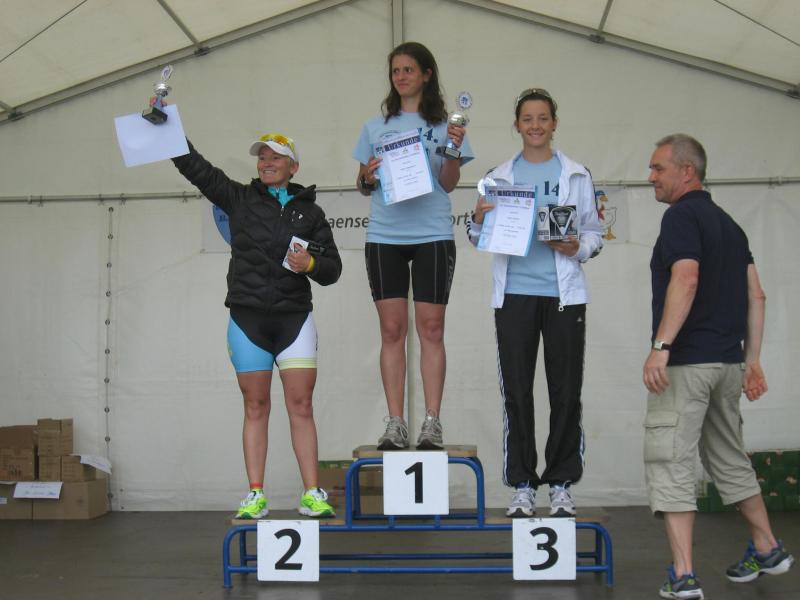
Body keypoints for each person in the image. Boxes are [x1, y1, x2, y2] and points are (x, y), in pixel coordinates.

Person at [643, 134, 794, 599]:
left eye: (659, 168)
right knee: (730, 459)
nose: (651, 177)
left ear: (687, 171)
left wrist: (661, 346)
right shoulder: (731, 226)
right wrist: (751, 361)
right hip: (727, 365)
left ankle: (684, 575)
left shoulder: (680, 216)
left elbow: (686, 277)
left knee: (670, 462)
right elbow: (757, 295)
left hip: (687, 366)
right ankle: (767, 547)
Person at [171, 132, 342, 519]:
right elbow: (198, 170)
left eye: (275, 157)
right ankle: (255, 494)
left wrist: (311, 265)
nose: (266, 162)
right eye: (262, 157)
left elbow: (333, 270)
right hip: (248, 320)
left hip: (294, 320)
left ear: (293, 167)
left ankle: (312, 493)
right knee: (255, 405)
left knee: (301, 405)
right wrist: (171, 135)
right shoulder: (239, 198)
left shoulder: (311, 213)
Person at [467, 88, 603, 518]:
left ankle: (561, 483)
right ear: (517, 125)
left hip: (564, 296)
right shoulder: (498, 177)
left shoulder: (576, 174)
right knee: (517, 392)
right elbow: (477, 237)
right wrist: (477, 219)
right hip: (514, 296)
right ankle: (523, 484)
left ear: (554, 123)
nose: (536, 126)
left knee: (566, 392)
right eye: (527, 119)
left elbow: (594, 234)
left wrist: (577, 247)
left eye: (543, 118)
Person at [353, 42, 474, 450]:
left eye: (408, 69)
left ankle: (432, 423)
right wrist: (369, 177)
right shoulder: (375, 126)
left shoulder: (445, 126)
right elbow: (363, 183)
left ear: (426, 74)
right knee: (392, 330)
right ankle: (395, 423)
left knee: (431, 329)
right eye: (396, 70)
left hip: (432, 234)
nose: (401, 76)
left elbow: (449, 183)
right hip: (385, 235)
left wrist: (453, 150)